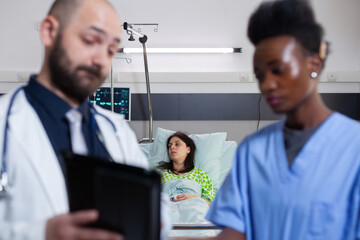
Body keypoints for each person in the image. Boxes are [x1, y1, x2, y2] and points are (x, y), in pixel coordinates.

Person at [180, 0, 360, 240]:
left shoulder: (353, 147)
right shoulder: (252, 151)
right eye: (259, 75)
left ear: (313, 65)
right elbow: (235, 235)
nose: (267, 85)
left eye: (278, 70)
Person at [0, 0, 170, 239]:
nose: (102, 60)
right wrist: (41, 233)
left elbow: (157, 207)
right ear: (49, 31)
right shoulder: (5, 123)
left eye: (111, 50)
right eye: (90, 41)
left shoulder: (117, 131)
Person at [158, 132, 215, 206]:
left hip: (194, 210)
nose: (172, 147)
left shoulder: (200, 175)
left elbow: (212, 206)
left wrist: (194, 198)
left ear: (188, 149)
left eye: (177, 144)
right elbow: (151, 200)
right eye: (169, 146)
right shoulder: (160, 174)